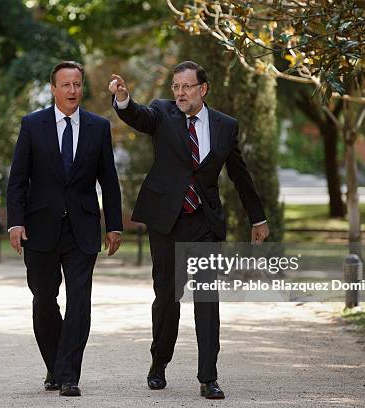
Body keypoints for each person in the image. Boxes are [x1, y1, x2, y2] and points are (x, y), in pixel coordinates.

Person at [109, 61, 269, 399]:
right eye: (176, 87)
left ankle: (208, 377)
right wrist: (123, 99)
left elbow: (240, 175)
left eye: (187, 87)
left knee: (207, 298)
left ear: (203, 89)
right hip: (167, 219)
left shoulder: (226, 126)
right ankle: (159, 364)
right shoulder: (161, 113)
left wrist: (257, 217)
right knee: (167, 297)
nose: (180, 93)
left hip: (204, 221)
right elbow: (139, 117)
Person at [7, 61, 123, 397]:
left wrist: (113, 224)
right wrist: (16, 222)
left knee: (80, 302)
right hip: (40, 228)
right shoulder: (32, 125)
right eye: (66, 85)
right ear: (54, 89)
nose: (72, 91)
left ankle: (69, 374)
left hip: (82, 229)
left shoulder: (98, 127)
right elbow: (18, 180)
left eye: (77, 84)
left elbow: (109, 181)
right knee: (44, 299)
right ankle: (55, 365)